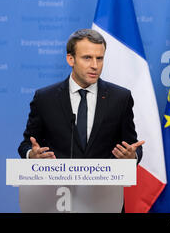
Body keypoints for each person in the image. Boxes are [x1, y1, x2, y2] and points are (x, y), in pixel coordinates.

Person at [18, 29, 144, 161]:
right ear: (71, 59)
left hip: (104, 181)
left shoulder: (120, 98)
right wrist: (31, 155)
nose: (95, 65)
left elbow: (131, 145)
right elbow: (26, 145)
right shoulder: (45, 98)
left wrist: (132, 155)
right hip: (59, 180)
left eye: (99, 58)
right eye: (87, 58)